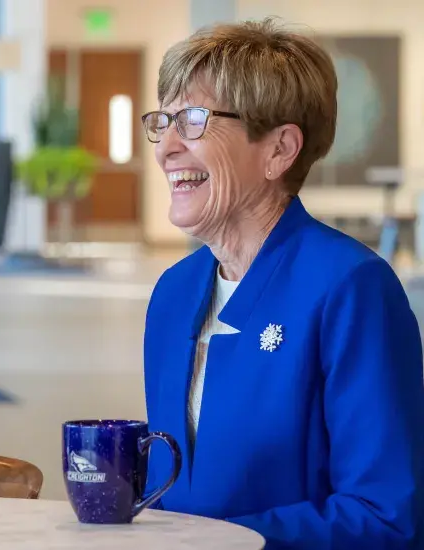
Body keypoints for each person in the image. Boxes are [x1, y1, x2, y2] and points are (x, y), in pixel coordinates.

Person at [141, 19, 424, 549]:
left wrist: (220, 541)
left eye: (194, 120)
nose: (166, 148)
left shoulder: (352, 289)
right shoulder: (173, 293)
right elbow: (171, 489)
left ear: (279, 150)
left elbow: (386, 518)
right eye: (164, 121)